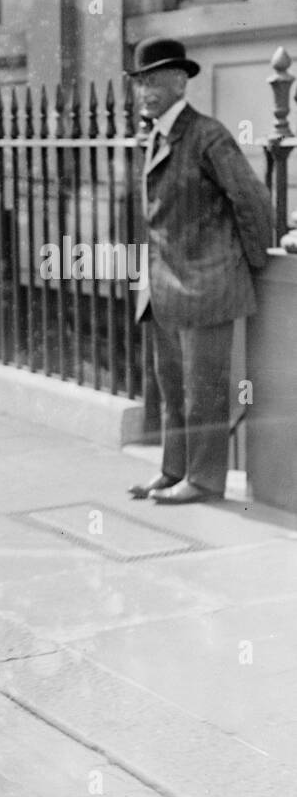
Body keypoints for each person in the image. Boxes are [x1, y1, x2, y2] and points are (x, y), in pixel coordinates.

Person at [126, 38, 272, 505]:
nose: (145, 91)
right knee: (170, 386)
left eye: (154, 80)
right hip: (165, 286)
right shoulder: (153, 136)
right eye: (140, 82)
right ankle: (173, 471)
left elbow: (251, 200)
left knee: (203, 390)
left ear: (179, 81)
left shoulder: (208, 134)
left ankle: (204, 480)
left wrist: (250, 266)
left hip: (207, 284)